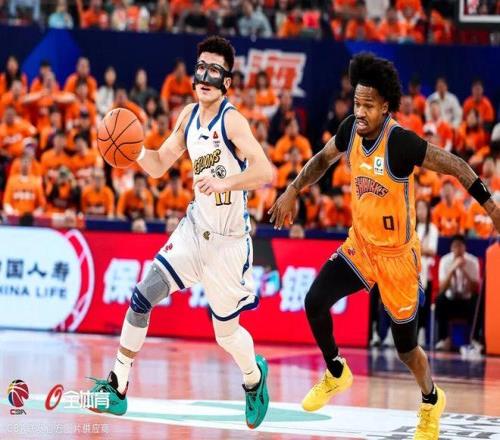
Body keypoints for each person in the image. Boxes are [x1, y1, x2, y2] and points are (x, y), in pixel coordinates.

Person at [269, 52, 500, 439]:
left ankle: (431, 400)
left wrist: (491, 207)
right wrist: (293, 189)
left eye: (368, 106)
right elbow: (322, 160)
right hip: (361, 246)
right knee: (314, 301)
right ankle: (336, 371)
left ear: (385, 107)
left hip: (398, 258)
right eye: (356, 103)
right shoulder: (350, 130)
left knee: (406, 349)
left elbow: (457, 165)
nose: (359, 112)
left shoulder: (401, 143)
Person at [87, 36, 272, 429]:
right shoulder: (188, 116)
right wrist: (133, 151)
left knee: (226, 335)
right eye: (200, 67)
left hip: (228, 245)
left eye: (214, 71)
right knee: (142, 296)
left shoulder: (232, 121)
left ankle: (254, 379)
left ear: (226, 82)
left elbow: (265, 171)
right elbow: (159, 165)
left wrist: (225, 183)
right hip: (194, 230)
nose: (205, 76)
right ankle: (117, 386)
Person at [435, 235, 481, 352]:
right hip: (451, 301)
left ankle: (475, 339)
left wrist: (464, 270)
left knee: (477, 300)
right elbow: (442, 288)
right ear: (451, 248)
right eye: (455, 246)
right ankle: (443, 339)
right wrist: (452, 269)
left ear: (465, 248)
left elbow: (475, 288)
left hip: (466, 301)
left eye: (461, 246)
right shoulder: (445, 261)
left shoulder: (473, 261)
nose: (458, 249)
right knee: (440, 299)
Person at [415, 199, 438, 346]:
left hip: (425, 271)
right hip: (410, 269)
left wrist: (417, 249)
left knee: (422, 304)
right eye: (418, 208)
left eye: (423, 208)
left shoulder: (433, 229)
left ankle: (422, 333)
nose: (421, 211)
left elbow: (432, 251)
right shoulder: (412, 226)